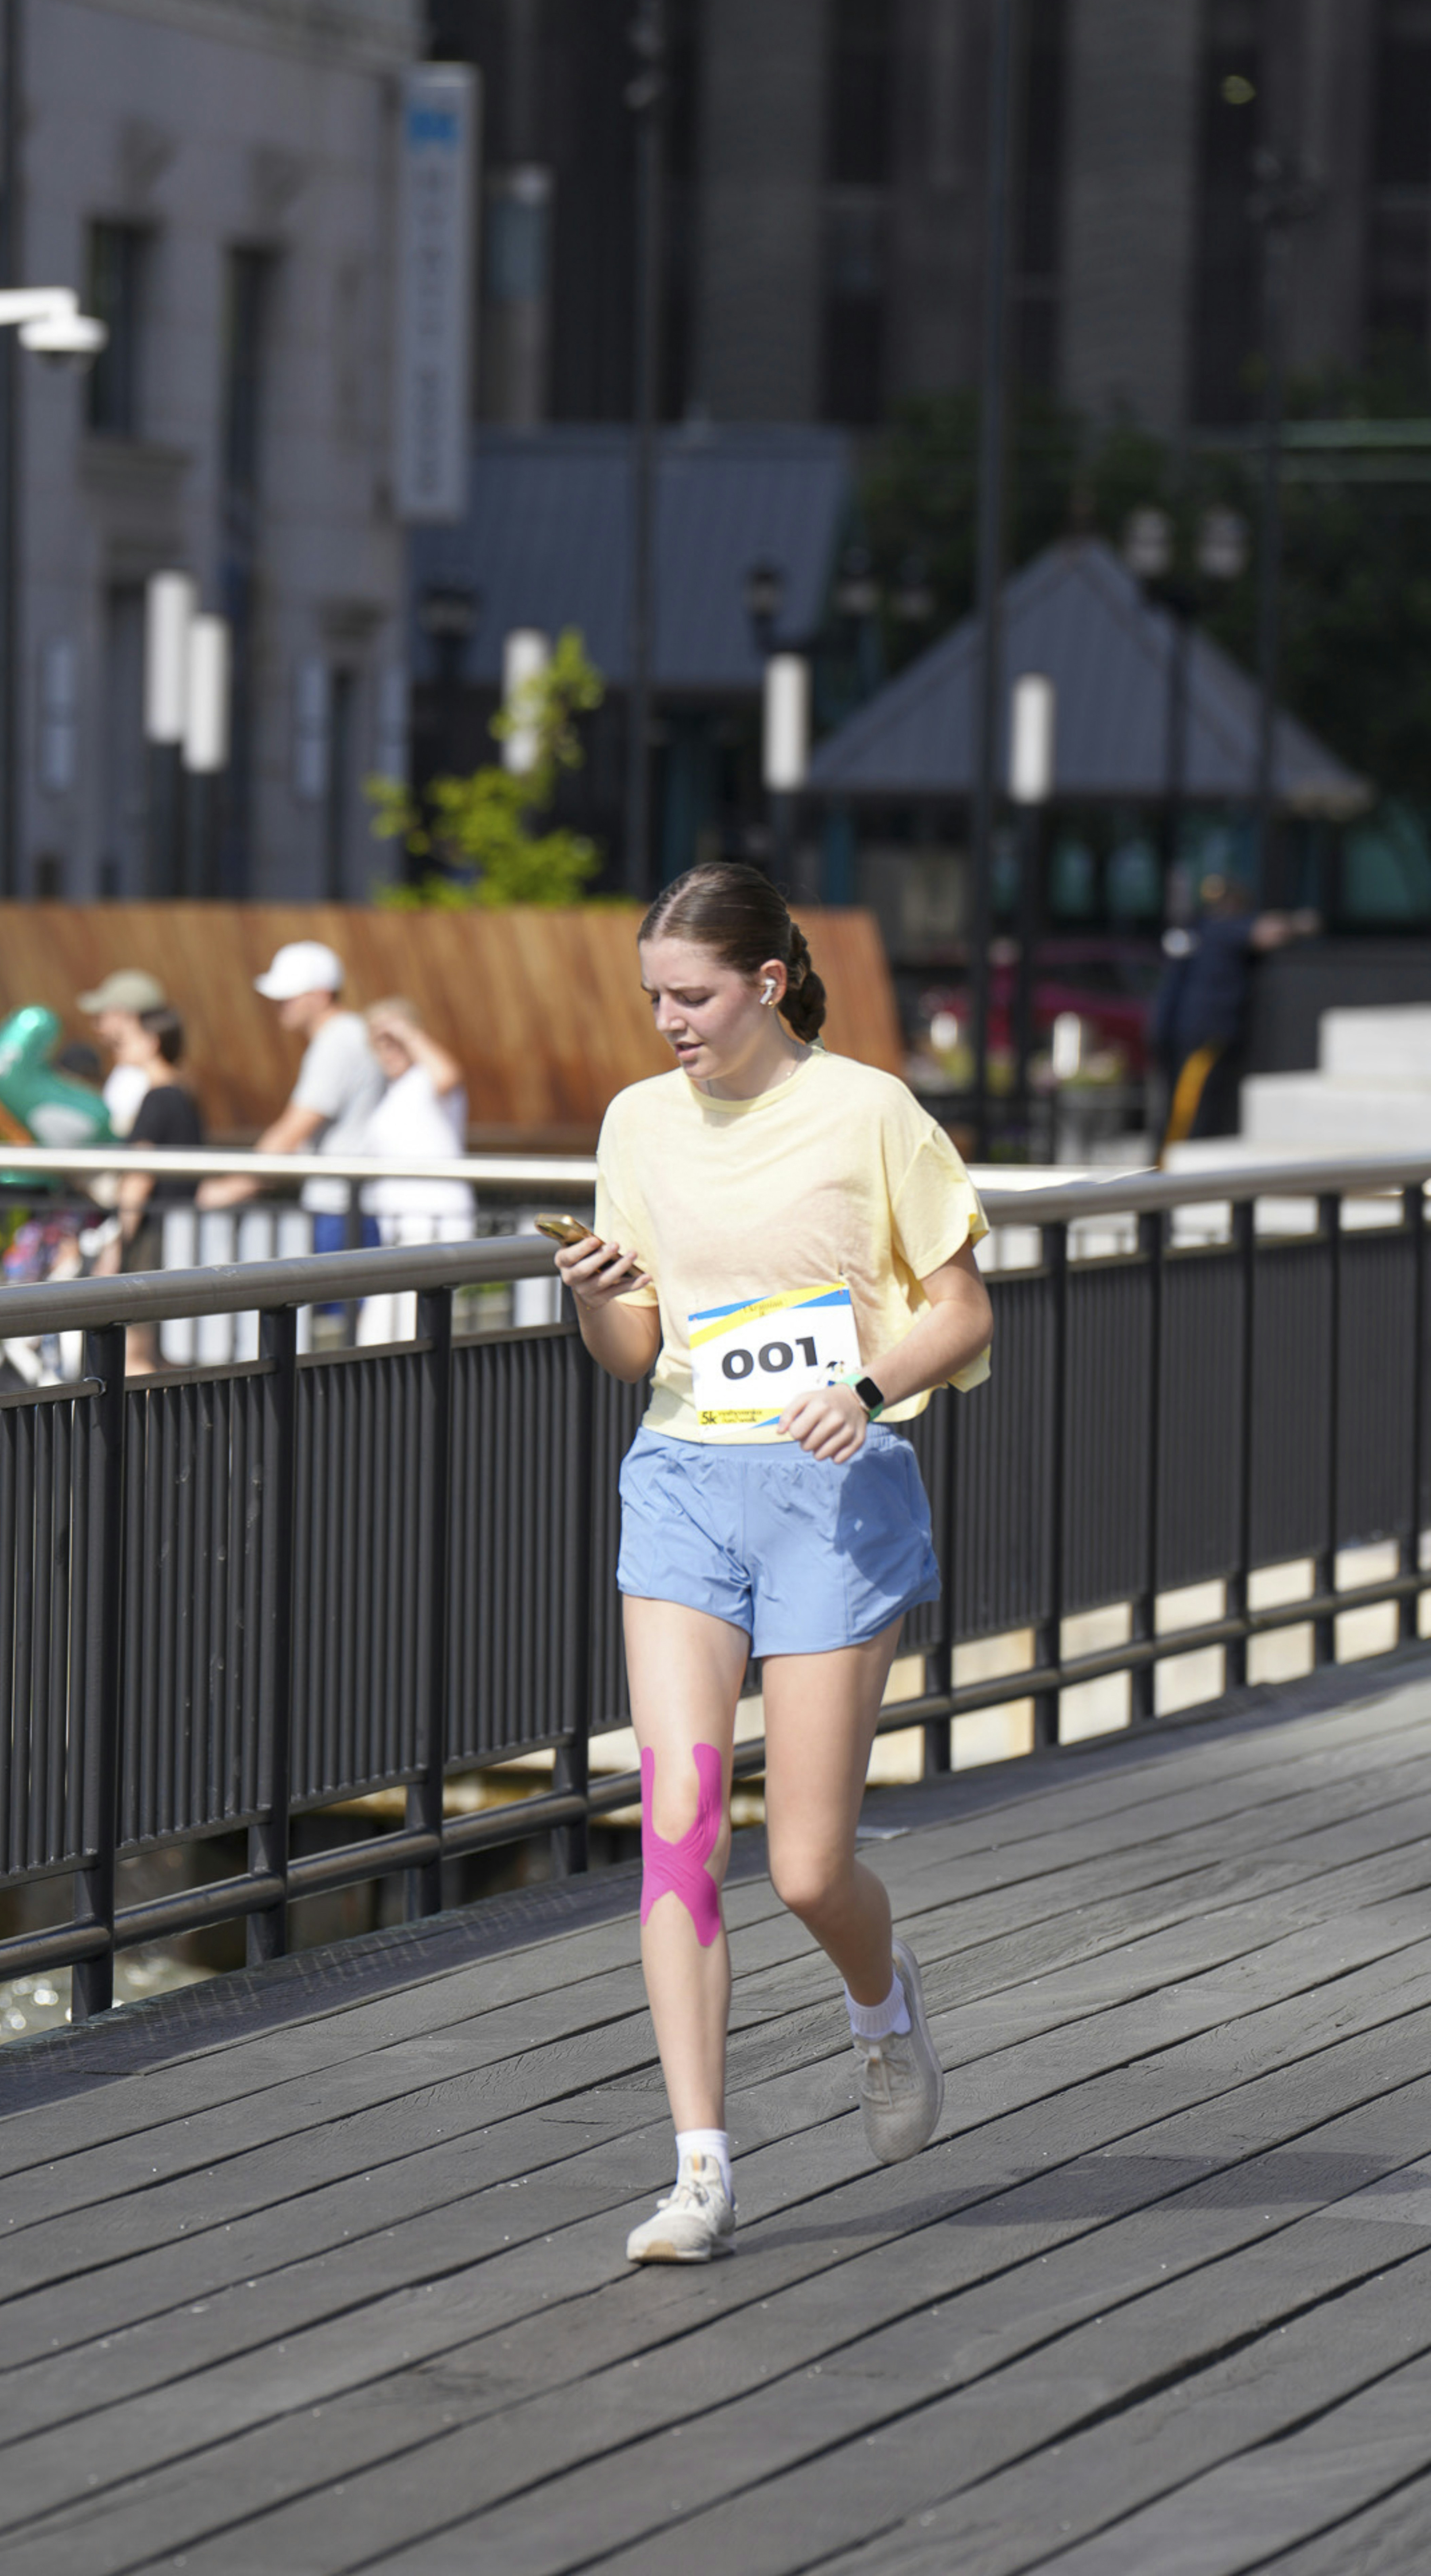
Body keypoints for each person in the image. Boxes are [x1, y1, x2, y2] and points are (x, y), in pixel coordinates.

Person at [555, 860, 993, 2267]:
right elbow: (639, 1354)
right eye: (653, 999)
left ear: (767, 982)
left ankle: (884, 2005)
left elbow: (965, 1314)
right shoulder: (636, 1122)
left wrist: (861, 1391)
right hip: (683, 1483)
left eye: (691, 995)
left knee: (808, 1866)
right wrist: (600, 1306)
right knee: (680, 1836)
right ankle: (701, 2170)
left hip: (834, 1491)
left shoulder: (869, 1109)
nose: (669, 1022)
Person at [195, 940, 385, 1250]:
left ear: (321, 995)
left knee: (335, 1296)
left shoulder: (336, 1042)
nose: (280, 1004)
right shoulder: (346, 1035)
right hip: (346, 1204)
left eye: (289, 996)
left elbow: (294, 1129)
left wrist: (233, 1188)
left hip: (341, 1208)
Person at [1151, 879, 1317, 1163]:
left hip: (1183, 1030)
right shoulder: (1223, 929)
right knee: (1189, 1109)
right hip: (1205, 1031)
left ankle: (1170, 1166)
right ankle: (1168, 1169)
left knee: (1187, 1106)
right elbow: (1269, 932)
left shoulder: (1197, 930)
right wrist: (1300, 923)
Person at [90, 1005, 204, 1373]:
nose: (119, 1045)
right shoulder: (185, 1094)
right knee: (161, 1353)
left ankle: (145, 1431)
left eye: (130, 1037)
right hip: (179, 1231)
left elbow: (139, 1178)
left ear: (153, 1042)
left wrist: (119, 1243)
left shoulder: (157, 1097)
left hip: (152, 1234)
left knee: (136, 1351)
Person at [355, 999, 476, 1345]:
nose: (388, 1049)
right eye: (380, 1041)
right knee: (381, 1333)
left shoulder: (426, 1079)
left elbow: (448, 1074)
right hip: (400, 1229)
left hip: (433, 1225)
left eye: (395, 1040)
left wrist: (405, 1032)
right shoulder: (391, 1092)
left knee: (411, 1332)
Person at [76, 967, 172, 1137]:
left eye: (101, 1017)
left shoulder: (144, 1078)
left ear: (125, 1016)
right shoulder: (131, 1070)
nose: (97, 1026)